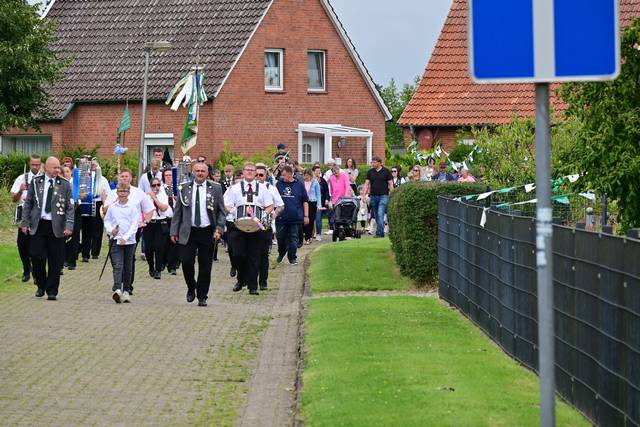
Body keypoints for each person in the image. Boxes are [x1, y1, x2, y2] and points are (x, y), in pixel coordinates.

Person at [171, 162, 225, 306]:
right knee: (186, 261)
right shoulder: (184, 188)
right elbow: (178, 211)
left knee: (205, 265)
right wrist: (174, 231)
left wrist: (219, 229)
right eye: (197, 171)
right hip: (188, 230)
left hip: (207, 231)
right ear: (193, 172)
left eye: (203, 171)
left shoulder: (216, 188)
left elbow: (221, 211)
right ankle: (191, 287)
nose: (200, 173)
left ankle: (202, 295)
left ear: (207, 173)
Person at [20, 157, 74, 300]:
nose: (57, 170)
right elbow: (28, 204)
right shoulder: (36, 182)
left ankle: (52, 291)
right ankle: (41, 284)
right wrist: (25, 223)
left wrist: (69, 226)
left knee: (55, 260)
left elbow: (70, 207)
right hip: (39, 224)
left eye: (58, 167)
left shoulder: (64, 184)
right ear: (46, 168)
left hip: (56, 226)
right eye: (54, 167)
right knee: (36, 255)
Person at [102, 169, 154, 294]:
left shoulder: (138, 192)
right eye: (122, 176)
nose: (124, 178)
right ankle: (117, 284)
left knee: (129, 260)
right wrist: (115, 202)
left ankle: (127, 286)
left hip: (132, 231)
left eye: (126, 176)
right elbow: (105, 211)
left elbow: (149, 208)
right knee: (116, 261)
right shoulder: (113, 193)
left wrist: (145, 221)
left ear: (131, 178)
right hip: (115, 233)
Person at [225, 162, 274, 295]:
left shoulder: (263, 188)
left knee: (254, 256)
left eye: (253, 170)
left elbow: (270, 205)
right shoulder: (235, 188)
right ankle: (241, 279)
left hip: (256, 226)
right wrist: (234, 211)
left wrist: (263, 214)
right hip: (238, 226)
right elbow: (227, 205)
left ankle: (253, 286)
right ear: (243, 171)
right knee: (238, 254)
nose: (250, 172)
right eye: (248, 170)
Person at [103, 182, 140, 303]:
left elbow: (134, 224)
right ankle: (117, 289)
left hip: (129, 241)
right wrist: (111, 230)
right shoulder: (113, 207)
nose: (122, 194)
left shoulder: (133, 207)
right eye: (120, 191)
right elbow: (107, 221)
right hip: (116, 240)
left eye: (125, 191)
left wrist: (126, 237)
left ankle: (126, 291)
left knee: (128, 267)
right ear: (117, 193)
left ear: (128, 193)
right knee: (118, 265)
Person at [11, 154, 42, 283]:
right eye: (33, 164)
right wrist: (20, 190)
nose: (35, 167)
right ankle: (26, 269)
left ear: (40, 165)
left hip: (37, 216)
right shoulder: (21, 178)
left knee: (35, 246)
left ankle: (36, 272)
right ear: (29, 164)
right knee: (22, 245)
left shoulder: (43, 179)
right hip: (23, 214)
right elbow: (13, 199)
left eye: (37, 165)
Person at [255, 164, 284, 290]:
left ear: (266, 176)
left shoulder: (271, 189)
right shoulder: (248, 188)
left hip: (265, 225)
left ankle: (263, 282)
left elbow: (281, 205)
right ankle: (250, 280)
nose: (258, 177)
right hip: (249, 225)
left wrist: (275, 214)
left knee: (263, 254)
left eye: (261, 175)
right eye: (256, 174)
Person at [276, 166, 309, 265]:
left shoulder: (299, 185)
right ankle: (281, 252)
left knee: (293, 239)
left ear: (290, 174)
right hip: (281, 217)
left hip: (295, 217)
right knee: (280, 239)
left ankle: (292, 258)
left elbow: (305, 201)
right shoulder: (279, 184)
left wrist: (306, 216)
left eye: (284, 175)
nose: (282, 177)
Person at [79, 159, 109, 262]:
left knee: (97, 229)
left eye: (95, 166)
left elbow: (107, 193)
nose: (93, 168)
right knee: (86, 230)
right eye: (91, 166)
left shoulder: (102, 179)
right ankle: (85, 253)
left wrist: (105, 206)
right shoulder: (84, 178)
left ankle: (95, 252)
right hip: (86, 204)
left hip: (97, 203)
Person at [144, 177, 171, 279]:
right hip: (149, 223)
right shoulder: (146, 197)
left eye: (158, 185)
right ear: (150, 186)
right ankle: (151, 265)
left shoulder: (163, 195)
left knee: (159, 247)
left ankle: (158, 269)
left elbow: (163, 208)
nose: (156, 187)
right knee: (148, 248)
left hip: (160, 223)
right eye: (154, 185)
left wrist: (155, 198)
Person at [361, 156, 393, 238]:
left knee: (380, 213)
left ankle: (380, 233)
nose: (373, 164)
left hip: (383, 196)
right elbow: (366, 184)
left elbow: (390, 184)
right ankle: (380, 232)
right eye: (372, 162)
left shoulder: (386, 172)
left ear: (380, 163)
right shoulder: (370, 172)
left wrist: (392, 194)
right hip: (373, 196)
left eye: (374, 162)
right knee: (376, 215)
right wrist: (363, 195)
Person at [62, 165, 81, 271]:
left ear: (71, 173)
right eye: (64, 171)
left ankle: (72, 261)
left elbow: (81, 197)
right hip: (62, 212)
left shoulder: (75, 184)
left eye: (67, 171)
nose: (66, 173)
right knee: (63, 236)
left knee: (74, 236)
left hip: (75, 211)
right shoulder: (60, 183)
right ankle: (64, 258)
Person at [161, 168, 179, 275]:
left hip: (174, 218)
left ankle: (172, 266)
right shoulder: (160, 188)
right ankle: (163, 262)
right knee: (163, 242)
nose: (168, 177)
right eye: (166, 175)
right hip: (164, 217)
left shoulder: (177, 188)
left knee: (174, 242)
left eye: (170, 175)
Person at [303, 169, 320, 244]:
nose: (306, 177)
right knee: (304, 220)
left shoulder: (315, 183)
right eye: (305, 175)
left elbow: (318, 194)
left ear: (310, 175)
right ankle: (306, 236)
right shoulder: (302, 183)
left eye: (307, 175)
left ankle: (308, 237)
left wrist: (319, 205)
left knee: (311, 220)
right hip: (304, 202)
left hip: (313, 202)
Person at [312, 165, 329, 241]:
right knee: (311, 219)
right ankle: (311, 234)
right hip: (311, 201)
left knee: (318, 218)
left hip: (320, 202)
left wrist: (327, 199)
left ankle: (318, 234)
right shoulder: (311, 180)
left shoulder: (322, 180)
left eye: (319, 171)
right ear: (313, 172)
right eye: (317, 171)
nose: (318, 173)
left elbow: (326, 191)